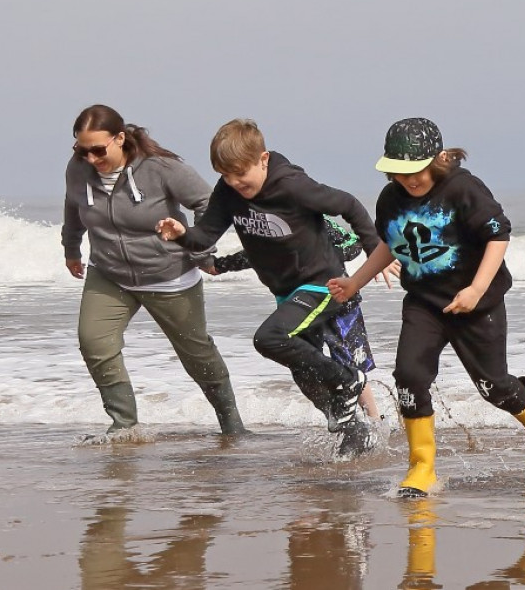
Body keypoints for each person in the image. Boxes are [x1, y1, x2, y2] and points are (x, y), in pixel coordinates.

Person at [329, 117, 525, 498]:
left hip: (475, 304)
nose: (408, 180)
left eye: (415, 171)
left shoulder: (463, 189)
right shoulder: (391, 199)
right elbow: (391, 243)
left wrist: (477, 288)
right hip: (424, 302)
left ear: (436, 159)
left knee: (494, 387)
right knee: (408, 374)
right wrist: (356, 280)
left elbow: (498, 235)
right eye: (399, 173)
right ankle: (422, 466)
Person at [158, 119, 382, 459]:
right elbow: (205, 236)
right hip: (287, 291)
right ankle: (355, 432)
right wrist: (181, 234)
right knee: (304, 375)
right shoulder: (229, 190)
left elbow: (348, 205)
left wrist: (375, 251)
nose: (234, 182)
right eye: (225, 175)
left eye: (240, 174)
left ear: (263, 160)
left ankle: (349, 379)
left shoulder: (292, 185)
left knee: (269, 338)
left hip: (323, 283)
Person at [61, 104, 245, 439]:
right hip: (109, 273)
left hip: (169, 274)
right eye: (81, 150)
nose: (90, 158)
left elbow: (209, 202)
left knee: (197, 354)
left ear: (119, 139)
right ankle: (124, 427)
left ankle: (232, 426)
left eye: (98, 150)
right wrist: (71, 248)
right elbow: (73, 207)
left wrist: (201, 249)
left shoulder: (160, 168)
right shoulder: (78, 170)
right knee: (94, 343)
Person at [212, 216, 398, 421]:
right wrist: (220, 265)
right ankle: (344, 420)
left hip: (339, 299)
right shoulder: (267, 227)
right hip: (298, 305)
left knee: (350, 362)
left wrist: (324, 256)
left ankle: (374, 419)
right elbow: (255, 255)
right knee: (307, 369)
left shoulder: (315, 218)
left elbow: (353, 243)